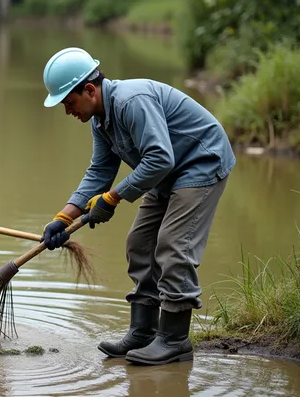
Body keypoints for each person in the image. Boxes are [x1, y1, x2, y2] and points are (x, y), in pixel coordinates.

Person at [39, 47, 235, 365]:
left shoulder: (132, 101)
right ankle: (143, 331)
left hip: (200, 162)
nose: (68, 111)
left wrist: (113, 198)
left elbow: (160, 157)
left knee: (173, 246)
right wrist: (64, 216)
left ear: (89, 90)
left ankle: (174, 340)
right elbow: (100, 171)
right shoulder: (100, 120)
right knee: (139, 244)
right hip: (166, 174)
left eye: (69, 102)